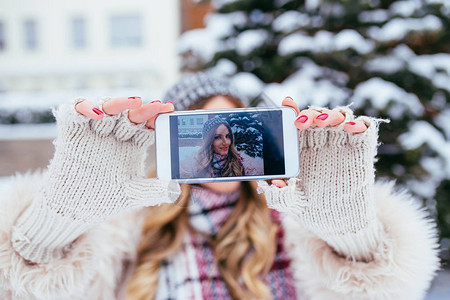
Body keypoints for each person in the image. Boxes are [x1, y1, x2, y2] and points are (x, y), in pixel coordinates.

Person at [0, 72, 440, 300]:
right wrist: (56, 223)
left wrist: (351, 237)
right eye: (212, 131)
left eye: (232, 129)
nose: (223, 141)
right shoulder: (126, 231)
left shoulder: (295, 223)